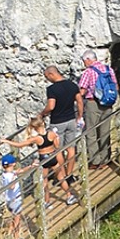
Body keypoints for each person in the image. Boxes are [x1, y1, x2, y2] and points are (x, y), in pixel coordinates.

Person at [8, 114, 76, 206]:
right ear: (43, 124)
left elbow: (20, 145)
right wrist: (56, 138)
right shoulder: (51, 134)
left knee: (45, 181)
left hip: (44, 159)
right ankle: (69, 196)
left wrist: (6, 141)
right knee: (61, 178)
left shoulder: (37, 138)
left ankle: (47, 202)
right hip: (53, 157)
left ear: (34, 128)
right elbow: (57, 146)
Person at [40, 65, 82, 195]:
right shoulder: (72, 85)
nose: (47, 80)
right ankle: (69, 175)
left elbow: (51, 106)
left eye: (47, 77)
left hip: (57, 122)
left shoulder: (52, 89)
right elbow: (79, 101)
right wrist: (79, 116)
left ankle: (62, 176)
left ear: (51, 74)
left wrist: (42, 114)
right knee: (71, 148)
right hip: (71, 120)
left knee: (58, 150)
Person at [77, 55, 115, 166]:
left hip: (93, 103)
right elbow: (116, 87)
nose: (84, 63)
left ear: (88, 59)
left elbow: (82, 91)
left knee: (91, 132)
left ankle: (95, 161)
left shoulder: (88, 72)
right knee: (105, 131)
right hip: (107, 103)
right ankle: (105, 158)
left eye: (84, 61)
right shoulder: (109, 69)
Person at [0, 152, 35, 239]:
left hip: (9, 200)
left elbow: (21, 171)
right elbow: (11, 187)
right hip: (15, 200)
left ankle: (9, 234)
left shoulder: (5, 174)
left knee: (14, 218)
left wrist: (31, 166)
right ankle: (16, 238)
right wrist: (14, 177)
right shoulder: (11, 175)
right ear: (13, 164)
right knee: (17, 220)